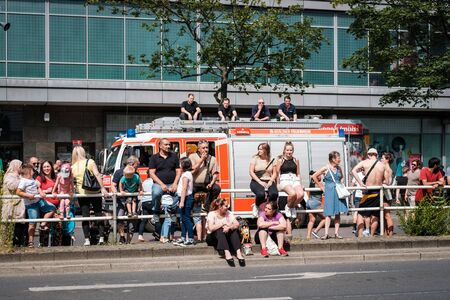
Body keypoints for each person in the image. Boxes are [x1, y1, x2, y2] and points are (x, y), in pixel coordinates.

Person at [71, 146, 108, 246]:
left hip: (82, 193)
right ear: (83, 153)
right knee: (98, 214)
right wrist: (103, 188)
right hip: (95, 192)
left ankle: (87, 239)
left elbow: (72, 182)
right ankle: (101, 238)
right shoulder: (90, 162)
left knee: (85, 216)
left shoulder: (73, 167)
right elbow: (97, 174)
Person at [352, 148, 389, 237]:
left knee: (361, 213)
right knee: (375, 215)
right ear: (376, 155)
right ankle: (371, 235)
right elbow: (386, 181)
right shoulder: (382, 165)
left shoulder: (365, 162)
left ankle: (360, 235)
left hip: (368, 191)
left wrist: (360, 183)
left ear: (368, 155)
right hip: (378, 191)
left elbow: (353, 170)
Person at [149, 138, 181, 240]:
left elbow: (178, 171)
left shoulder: (174, 156)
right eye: (166, 145)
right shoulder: (154, 158)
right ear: (160, 146)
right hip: (159, 183)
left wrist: (175, 184)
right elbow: (152, 173)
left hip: (172, 183)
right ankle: (156, 211)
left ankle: (173, 213)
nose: (168, 146)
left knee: (178, 194)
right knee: (156, 192)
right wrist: (162, 185)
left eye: (169, 145)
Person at [16, 164, 55, 248]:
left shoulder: (32, 179)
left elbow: (38, 187)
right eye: (32, 170)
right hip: (31, 204)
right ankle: (30, 241)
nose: (34, 172)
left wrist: (40, 191)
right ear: (29, 172)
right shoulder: (23, 181)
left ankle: (43, 223)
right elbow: (18, 192)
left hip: (39, 200)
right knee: (32, 223)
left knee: (52, 208)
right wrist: (28, 195)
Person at [312, 151, 348, 239]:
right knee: (328, 213)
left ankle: (336, 233)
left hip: (338, 192)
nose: (339, 159)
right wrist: (321, 186)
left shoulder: (339, 168)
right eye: (338, 157)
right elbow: (314, 176)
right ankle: (326, 234)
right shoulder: (326, 168)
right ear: (333, 159)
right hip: (329, 192)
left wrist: (341, 182)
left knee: (337, 213)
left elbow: (342, 177)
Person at [206, 198, 246, 267]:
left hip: (224, 236)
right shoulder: (211, 214)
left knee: (234, 231)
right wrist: (222, 224)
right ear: (220, 207)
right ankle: (227, 253)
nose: (228, 207)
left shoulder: (229, 213)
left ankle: (238, 253)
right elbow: (211, 228)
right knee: (220, 230)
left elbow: (237, 224)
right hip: (212, 237)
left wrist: (229, 227)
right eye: (226, 206)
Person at [112, 155, 140, 244]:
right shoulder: (119, 172)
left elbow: (139, 184)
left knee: (132, 221)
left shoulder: (136, 174)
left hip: (133, 200)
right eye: (137, 165)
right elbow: (113, 185)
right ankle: (122, 237)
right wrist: (117, 194)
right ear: (132, 164)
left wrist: (140, 190)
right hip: (121, 200)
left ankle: (129, 241)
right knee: (120, 218)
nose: (138, 167)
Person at [188, 140, 221, 211]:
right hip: (194, 184)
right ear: (198, 149)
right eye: (203, 148)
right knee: (189, 191)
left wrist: (211, 183)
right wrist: (202, 160)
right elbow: (192, 171)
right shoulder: (192, 156)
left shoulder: (212, 158)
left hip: (206, 184)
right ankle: (190, 208)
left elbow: (215, 173)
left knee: (216, 188)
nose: (206, 150)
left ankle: (207, 207)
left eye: (207, 148)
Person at [1, 159, 27, 247]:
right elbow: (12, 186)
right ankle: (7, 245)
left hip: (18, 206)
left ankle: (18, 244)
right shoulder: (9, 175)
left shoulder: (20, 176)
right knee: (9, 226)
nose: (21, 168)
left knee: (18, 226)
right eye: (20, 166)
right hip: (10, 206)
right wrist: (24, 182)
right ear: (15, 166)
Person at [276, 141, 304, 218]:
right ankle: (289, 207)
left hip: (294, 179)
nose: (289, 152)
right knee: (293, 194)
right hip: (284, 180)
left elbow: (298, 173)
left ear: (293, 151)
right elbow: (277, 173)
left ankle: (291, 206)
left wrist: (300, 184)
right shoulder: (280, 160)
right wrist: (277, 184)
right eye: (287, 150)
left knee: (301, 194)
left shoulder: (296, 160)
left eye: (291, 150)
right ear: (284, 150)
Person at [249, 143, 278, 217]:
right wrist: (260, 182)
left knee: (274, 194)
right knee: (260, 194)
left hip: (268, 180)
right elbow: (251, 172)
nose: (259, 150)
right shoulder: (255, 159)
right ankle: (256, 206)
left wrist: (271, 181)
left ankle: (269, 208)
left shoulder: (272, 159)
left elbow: (275, 173)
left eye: (261, 149)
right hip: (256, 180)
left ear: (266, 150)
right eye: (258, 149)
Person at [173, 157, 195, 246]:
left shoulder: (185, 175)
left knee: (186, 219)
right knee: (183, 219)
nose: (179, 165)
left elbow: (184, 189)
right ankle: (183, 237)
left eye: (180, 163)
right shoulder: (187, 173)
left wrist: (181, 201)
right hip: (185, 198)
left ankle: (190, 238)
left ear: (183, 165)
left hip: (186, 198)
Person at [306, 170, 325, 239]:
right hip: (315, 203)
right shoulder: (319, 184)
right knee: (326, 217)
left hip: (309, 202)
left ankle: (308, 236)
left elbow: (308, 192)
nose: (321, 177)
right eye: (319, 175)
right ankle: (315, 231)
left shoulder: (311, 183)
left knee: (312, 220)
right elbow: (325, 190)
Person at [381, 152, 394, 236]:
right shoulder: (384, 168)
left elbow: (388, 182)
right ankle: (386, 233)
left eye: (382, 158)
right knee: (383, 215)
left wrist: (380, 181)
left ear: (387, 159)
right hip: (385, 193)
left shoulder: (387, 170)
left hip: (386, 194)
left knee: (387, 215)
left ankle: (390, 234)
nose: (381, 159)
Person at [138, 170, 153, 242]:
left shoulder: (144, 182)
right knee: (157, 218)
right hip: (152, 201)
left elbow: (141, 190)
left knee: (144, 219)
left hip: (145, 201)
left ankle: (140, 235)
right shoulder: (155, 182)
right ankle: (160, 235)